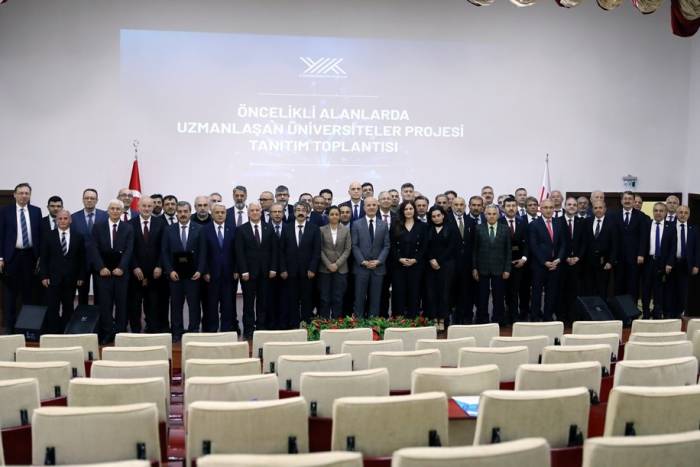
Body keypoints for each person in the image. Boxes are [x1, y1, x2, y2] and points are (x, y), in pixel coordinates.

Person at [90, 199, 134, 344]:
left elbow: (129, 250)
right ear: (108, 210)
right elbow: (94, 249)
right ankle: (108, 332)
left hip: (121, 273)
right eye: (112, 208)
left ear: (122, 212)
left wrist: (121, 268)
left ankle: (120, 333)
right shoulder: (98, 226)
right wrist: (101, 267)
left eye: (118, 209)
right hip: (103, 273)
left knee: (122, 304)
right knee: (105, 304)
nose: (115, 211)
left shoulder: (128, 228)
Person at [0, 183, 43, 332]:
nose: (24, 196)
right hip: (12, 257)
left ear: (30, 195)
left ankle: (27, 330)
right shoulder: (5, 211)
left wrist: (40, 257)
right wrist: (0, 257)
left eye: (27, 193)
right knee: (10, 296)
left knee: (29, 295)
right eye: (21, 193)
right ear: (15, 195)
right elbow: (1, 235)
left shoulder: (36, 211)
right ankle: (9, 330)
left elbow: (39, 235)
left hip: (30, 257)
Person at [161, 201, 206, 341]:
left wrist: (200, 270)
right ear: (176, 213)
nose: (182, 214)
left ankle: (193, 331)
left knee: (194, 305)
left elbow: (203, 252)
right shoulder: (169, 229)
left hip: (193, 276)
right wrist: (169, 271)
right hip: (175, 276)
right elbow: (164, 252)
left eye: (185, 211)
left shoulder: (199, 229)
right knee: (175, 306)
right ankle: (177, 332)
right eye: (179, 211)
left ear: (190, 211)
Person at [235, 202, 277, 338]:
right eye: (252, 210)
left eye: (257, 210)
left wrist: (273, 268)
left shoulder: (269, 228)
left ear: (261, 212)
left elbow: (274, 251)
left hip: (265, 273)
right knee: (248, 303)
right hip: (248, 274)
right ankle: (248, 329)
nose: (254, 212)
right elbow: (239, 252)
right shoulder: (241, 229)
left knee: (263, 302)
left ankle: (261, 328)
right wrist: (244, 271)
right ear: (248, 212)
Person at [39, 209, 85, 333]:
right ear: (56, 220)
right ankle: (53, 332)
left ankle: (65, 331)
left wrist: (81, 277)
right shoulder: (48, 236)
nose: (63, 221)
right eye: (60, 218)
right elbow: (44, 258)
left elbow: (82, 259)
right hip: (52, 279)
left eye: (65, 218)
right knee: (52, 307)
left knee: (68, 307)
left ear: (70, 220)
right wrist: (44, 276)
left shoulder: (78, 236)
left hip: (71, 279)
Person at [128, 197, 166, 333]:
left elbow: (164, 247)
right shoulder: (130, 224)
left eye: (149, 206)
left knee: (153, 303)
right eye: (144, 206)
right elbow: (128, 249)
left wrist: (160, 265)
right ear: (138, 207)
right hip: (136, 272)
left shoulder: (160, 223)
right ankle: (136, 330)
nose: (146, 208)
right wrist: (134, 266)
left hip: (155, 272)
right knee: (135, 304)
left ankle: (152, 329)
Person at [279, 202, 321, 327]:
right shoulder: (286, 228)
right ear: (294, 212)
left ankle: (306, 325)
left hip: (308, 272)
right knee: (292, 300)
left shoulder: (314, 228)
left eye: (303, 210)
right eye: (298, 210)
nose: (300, 212)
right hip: (290, 272)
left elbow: (316, 251)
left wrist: (313, 268)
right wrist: (283, 269)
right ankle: (293, 325)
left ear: (307, 212)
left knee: (307, 300)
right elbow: (281, 251)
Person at [528, 199, 567, 322]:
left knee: (552, 293)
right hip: (539, 265)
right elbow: (533, 246)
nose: (549, 210)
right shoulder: (534, 224)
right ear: (541, 208)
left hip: (555, 265)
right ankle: (534, 317)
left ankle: (548, 317)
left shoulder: (559, 223)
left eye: (551, 207)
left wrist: (558, 259)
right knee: (536, 293)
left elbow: (563, 244)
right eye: (546, 207)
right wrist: (544, 262)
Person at [472, 204, 511, 325]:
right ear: (485, 215)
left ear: (499, 215)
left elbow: (508, 250)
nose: (492, 216)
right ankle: (482, 319)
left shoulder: (505, 229)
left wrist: (507, 269)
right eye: (489, 214)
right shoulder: (478, 228)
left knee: (498, 296)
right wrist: (474, 268)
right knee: (482, 297)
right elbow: (474, 250)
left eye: (494, 214)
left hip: (499, 269)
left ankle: (498, 318)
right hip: (482, 268)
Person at [351, 197, 390, 317]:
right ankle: (359, 325)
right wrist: (363, 261)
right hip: (361, 268)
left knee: (375, 299)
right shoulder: (356, 224)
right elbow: (354, 245)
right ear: (364, 208)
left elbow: (386, 246)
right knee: (359, 299)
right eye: (368, 205)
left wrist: (379, 261)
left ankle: (373, 326)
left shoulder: (383, 225)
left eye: (374, 205)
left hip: (377, 268)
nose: (371, 207)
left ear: (377, 206)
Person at [203, 203, 237, 333]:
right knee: (211, 304)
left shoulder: (233, 229)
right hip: (211, 275)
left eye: (222, 212)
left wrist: (236, 269)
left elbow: (237, 252)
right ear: (212, 214)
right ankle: (212, 330)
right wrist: (205, 271)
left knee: (227, 304)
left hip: (229, 274)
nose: (220, 215)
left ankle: (226, 330)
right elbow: (203, 253)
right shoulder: (205, 230)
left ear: (226, 214)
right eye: (217, 212)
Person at [390, 200, 428, 318]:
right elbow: (391, 245)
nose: (408, 211)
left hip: (416, 266)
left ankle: (413, 319)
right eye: (406, 209)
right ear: (402, 211)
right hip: (398, 266)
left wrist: (415, 259)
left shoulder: (422, 226)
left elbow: (424, 245)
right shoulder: (396, 225)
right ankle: (398, 320)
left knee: (414, 293)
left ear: (414, 210)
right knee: (399, 293)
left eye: (411, 208)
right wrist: (399, 258)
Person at [72, 188, 107, 305]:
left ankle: (99, 320)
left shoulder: (105, 216)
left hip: (101, 261)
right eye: (86, 198)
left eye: (92, 198)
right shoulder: (74, 217)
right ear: (82, 200)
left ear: (97, 200)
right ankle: (83, 320)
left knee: (101, 293)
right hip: (82, 262)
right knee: (82, 293)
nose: (89, 200)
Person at [424, 206, 459, 325]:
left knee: (445, 293)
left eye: (438, 215)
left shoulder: (452, 228)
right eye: (433, 216)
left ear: (443, 215)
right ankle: (434, 319)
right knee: (431, 293)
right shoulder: (428, 228)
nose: (436, 218)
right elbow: (425, 247)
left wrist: (439, 261)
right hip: (430, 266)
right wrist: (431, 259)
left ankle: (443, 319)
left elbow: (452, 247)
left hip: (446, 265)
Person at [641, 202, 676, 319]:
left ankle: (657, 313)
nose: (658, 213)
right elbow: (642, 242)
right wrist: (640, 255)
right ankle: (645, 312)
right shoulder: (647, 224)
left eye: (661, 211)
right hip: (648, 262)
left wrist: (670, 263)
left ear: (665, 212)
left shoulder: (671, 227)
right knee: (646, 288)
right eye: (656, 210)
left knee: (659, 289)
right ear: (653, 212)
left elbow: (673, 247)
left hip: (662, 263)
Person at [318, 206, 352, 318]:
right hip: (325, 269)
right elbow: (320, 249)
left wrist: (337, 264)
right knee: (324, 298)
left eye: (337, 214)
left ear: (340, 216)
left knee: (338, 297)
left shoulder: (346, 230)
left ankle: (337, 323)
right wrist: (328, 264)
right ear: (328, 216)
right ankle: (324, 323)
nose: (334, 216)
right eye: (332, 214)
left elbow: (348, 249)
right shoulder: (321, 230)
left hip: (341, 269)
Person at [558, 197, 587, 325]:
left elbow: (585, 243)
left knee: (575, 292)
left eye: (574, 205)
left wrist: (578, 257)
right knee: (562, 291)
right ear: (565, 206)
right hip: (562, 263)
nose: (572, 206)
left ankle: (573, 317)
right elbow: (556, 243)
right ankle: (562, 317)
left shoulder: (582, 222)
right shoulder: (557, 221)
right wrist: (565, 257)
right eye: (569, 204)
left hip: (577, 264)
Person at [613, 191, 647, 300]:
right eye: (625, 199)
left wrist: (641, 254)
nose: (627, 201)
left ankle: (633, 314)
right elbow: (611, 237)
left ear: (633, 201)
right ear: (621, 201)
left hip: (635, 258)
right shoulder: (614, 215)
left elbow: (643, 237)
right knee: (618, 286)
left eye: (630, 199)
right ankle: (619, 312)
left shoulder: (641, 216)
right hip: (618, 258)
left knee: (633, 286)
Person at [447, 197, 474, 325]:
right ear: (451, 206)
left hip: (467, 265)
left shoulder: (470, 221)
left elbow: (474, 244)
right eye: (456, 204)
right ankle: (454, 318)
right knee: (452, 292)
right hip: (451, 264)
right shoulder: (446, 220)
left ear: (465, 207)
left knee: (466, 291)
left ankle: (466, 317)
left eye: (461, 205)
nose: (459, 207)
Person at [668, 205, 699, 317]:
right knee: (670, 290)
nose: (683, 214)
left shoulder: (694, 229)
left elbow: (697, 248)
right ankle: (670, 314)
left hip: (687, 264)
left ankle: (681, 313)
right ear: (676, 213)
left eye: (686, 213)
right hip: (672, 263)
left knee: (683, 291)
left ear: (689, 215)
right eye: (680, 212)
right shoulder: (670, 226)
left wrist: (696, 265)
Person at [501, 197, 528, 324]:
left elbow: (528, 243)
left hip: (519, 263)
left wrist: (523, 259)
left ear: (517, 207)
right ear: (503, 208)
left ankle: (515, 316)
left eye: (513, 205)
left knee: (516, 290)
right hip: (502, 264)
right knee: (503, 291)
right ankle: (505, 315)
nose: (511, 208)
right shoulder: (499, 222)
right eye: (508, 206)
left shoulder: (523, 222)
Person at [583, 201, 617, 298]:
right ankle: (591, 312)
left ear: (605, 209)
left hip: (604, 263)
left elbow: (615, 245)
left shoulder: (612, 223)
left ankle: (602, 312)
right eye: (595, 208)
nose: (598, 210)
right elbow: (584, 242)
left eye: (600, 208)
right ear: (592, 209)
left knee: (602, 290)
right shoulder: (587, 222)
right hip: (588, 263)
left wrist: (610, 261)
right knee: (589, 290)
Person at [377, 191, 397, 316]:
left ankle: (392, 317)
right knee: (379, 290)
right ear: (379, 201)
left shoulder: (398, 217)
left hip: (394, 260)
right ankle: (378, 317)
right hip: (377, 259)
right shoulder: (372, 215)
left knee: (393, 291)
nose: (386, 200)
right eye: (383, 198)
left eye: (388, 198)